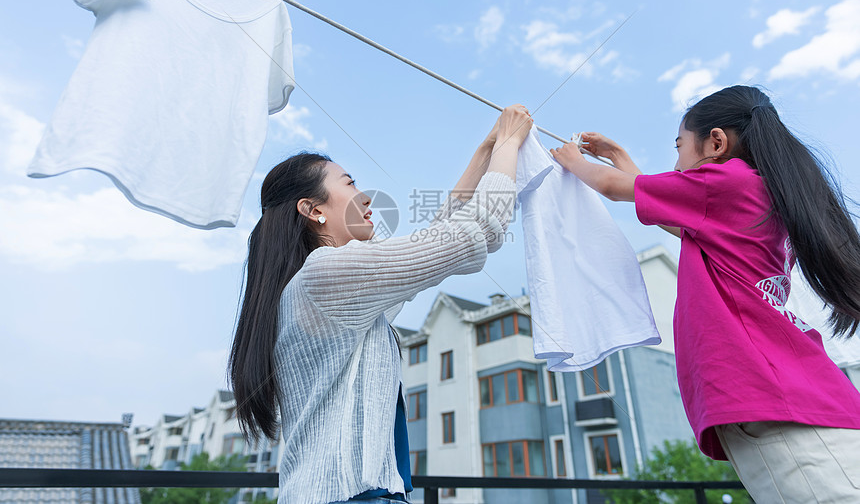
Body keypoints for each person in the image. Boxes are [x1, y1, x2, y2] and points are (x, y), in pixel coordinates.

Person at [550, 85, 860, 502]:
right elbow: (671, 216)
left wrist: (573, 161)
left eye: (680, 147)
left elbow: (610, 186)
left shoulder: (726, 182)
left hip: (776, 401)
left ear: (715, 143)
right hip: (791, 397)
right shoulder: (752, 193)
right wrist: (621, 160)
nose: (677, 162)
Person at [228, 105, 532, 504]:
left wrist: (487, 149)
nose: (365, 196)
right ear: (314, 210)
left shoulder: (323, 290)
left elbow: (440, 236)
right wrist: (511, 142)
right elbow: (479, 231)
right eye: (350, 184)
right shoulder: (328, 275)